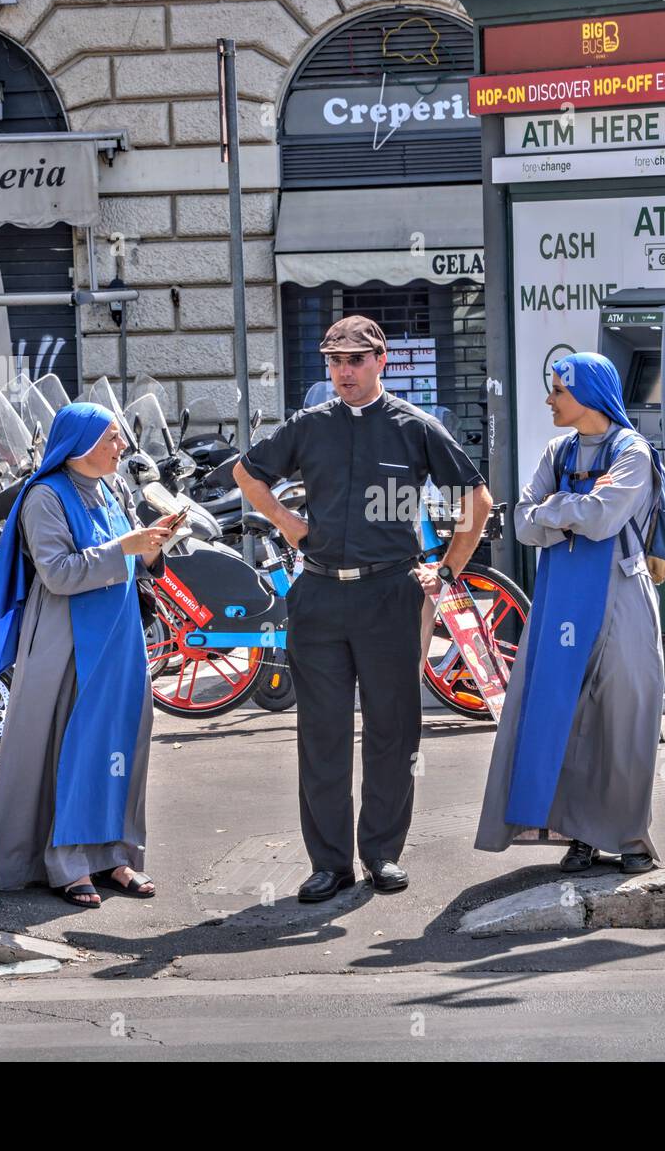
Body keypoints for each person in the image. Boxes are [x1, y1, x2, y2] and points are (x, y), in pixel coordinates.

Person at [234, 315, 493, 903]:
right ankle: (329, 864)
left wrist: (446, 570)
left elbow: (477, 500)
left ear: (381, 362)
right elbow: (246, 473)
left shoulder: (415, 427)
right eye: (333, 361)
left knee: (392, 731)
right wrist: (288, 523)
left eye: (354, 360)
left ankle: (382, 854)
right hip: (320, 593)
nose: (343, 372)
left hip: (390, 593)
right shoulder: (309, 425)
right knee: (321, 734)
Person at [0, 403, 177, 908]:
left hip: (118, 639)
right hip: (67, 642)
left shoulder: (109, 489)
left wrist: (153, 544)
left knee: (119, 745)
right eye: (113, 438)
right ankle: (65, 863)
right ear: (81, 446)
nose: (122, 447)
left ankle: (115, 856)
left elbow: (134, 559)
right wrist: (126, 549)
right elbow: (59, 573)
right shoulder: (44, 496)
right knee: (73, 749)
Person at [474, 352, 663, 875]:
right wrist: (567, 509)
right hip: (560, 597)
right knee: (564, 718)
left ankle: (627, 837)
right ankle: (578, 835)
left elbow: (602, 519)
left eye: (558, 389)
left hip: (622, 597)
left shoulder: (633, 452)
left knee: (623, 719)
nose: (549, 399)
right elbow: (520, 522)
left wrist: (554, 509)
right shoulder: (558, 451)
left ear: (589, 394)